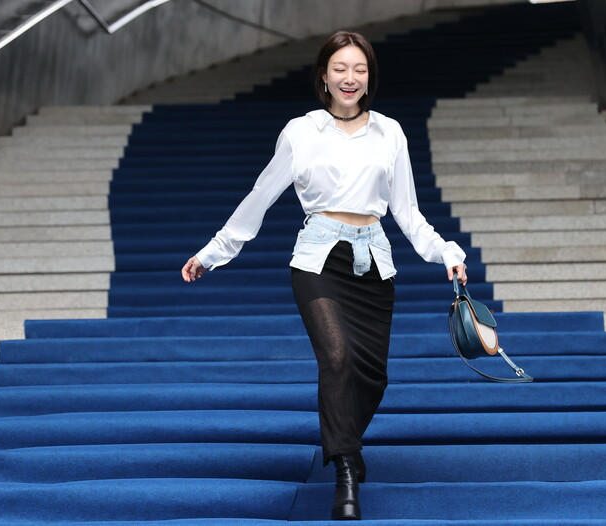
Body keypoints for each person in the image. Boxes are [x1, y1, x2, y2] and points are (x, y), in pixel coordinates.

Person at [181, 30, 467, 521]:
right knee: (336, 358)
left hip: (374, 260)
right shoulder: (301, 131)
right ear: (324, 76)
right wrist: (214, 251)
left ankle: (346, 442)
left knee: (373, 377)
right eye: (340, 68)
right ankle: (346, 472)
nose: (350, 78)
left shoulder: (390, 133)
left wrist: (446, 253)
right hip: (317, 259)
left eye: (359, 69)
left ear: (369, 77)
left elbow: (408, 212)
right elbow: (260, 196)